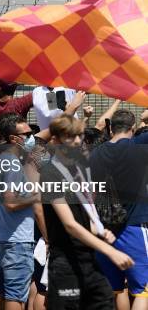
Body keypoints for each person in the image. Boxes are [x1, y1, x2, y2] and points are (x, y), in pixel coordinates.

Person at [40, 115, 134, 308]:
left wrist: (99, 229)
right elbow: (70, 224)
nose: (76, 141)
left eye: (79, 136)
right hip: (65, 262)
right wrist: (110, 251)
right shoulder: (50, 173)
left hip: (88, 259)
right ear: (55, 140)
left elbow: (85, 210)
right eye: (70, 136)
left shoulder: (78, 169)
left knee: (105, 302)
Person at [90, 110, 148, 310]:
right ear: (132, 128)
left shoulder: (95, 152)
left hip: (104, 229)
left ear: (110, 128)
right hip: (133, 227)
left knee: (114, 288)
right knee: (142, 290)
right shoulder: (139, 146)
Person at [0, 114, 45, 310]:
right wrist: (36, 196)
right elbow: (10, 203)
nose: (31, 137)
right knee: (15, 294)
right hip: (17, 240)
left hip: (1, 237)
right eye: (27, 134)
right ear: (13, 138)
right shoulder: (12, 162)